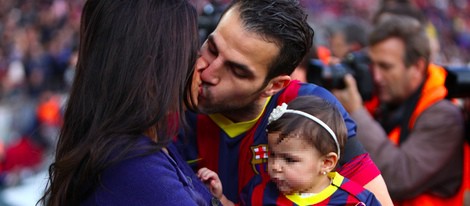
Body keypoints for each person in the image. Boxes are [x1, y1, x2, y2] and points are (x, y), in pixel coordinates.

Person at [176, 0, 393, 205]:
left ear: (274, 85)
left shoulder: (311, 110)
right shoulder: (168, 96)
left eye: (236, 71)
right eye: (212, 49)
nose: (208, 73)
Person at [37, 0, 219, 205]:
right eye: (191, 52)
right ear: (151, 74)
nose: (203, 64)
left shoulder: (133, 146)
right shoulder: (135, 168)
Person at [332, 15, 466, 205]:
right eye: (373, 65)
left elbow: (397, 177)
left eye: (386, 67)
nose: (377, 77)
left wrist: (355, 111)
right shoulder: (387, 100)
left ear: (418, 67)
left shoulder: (443, 115)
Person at [197, 96, 381, 205]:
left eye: (289, 160)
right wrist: (220, 197)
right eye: (272, 155)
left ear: (326, 163)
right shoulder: (261, 189)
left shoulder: (355, 200)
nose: (275, 166)